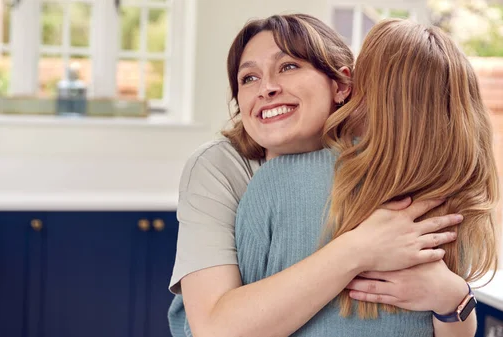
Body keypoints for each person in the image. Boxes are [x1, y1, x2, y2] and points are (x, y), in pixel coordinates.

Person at [167, 14, 470, 337]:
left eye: (288, 67)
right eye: (248, 78)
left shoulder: (386, 168)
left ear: (341, 85)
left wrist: (454, 297)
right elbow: (214, 329)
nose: (266, 88)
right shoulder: (218, 167)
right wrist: (359, 249)